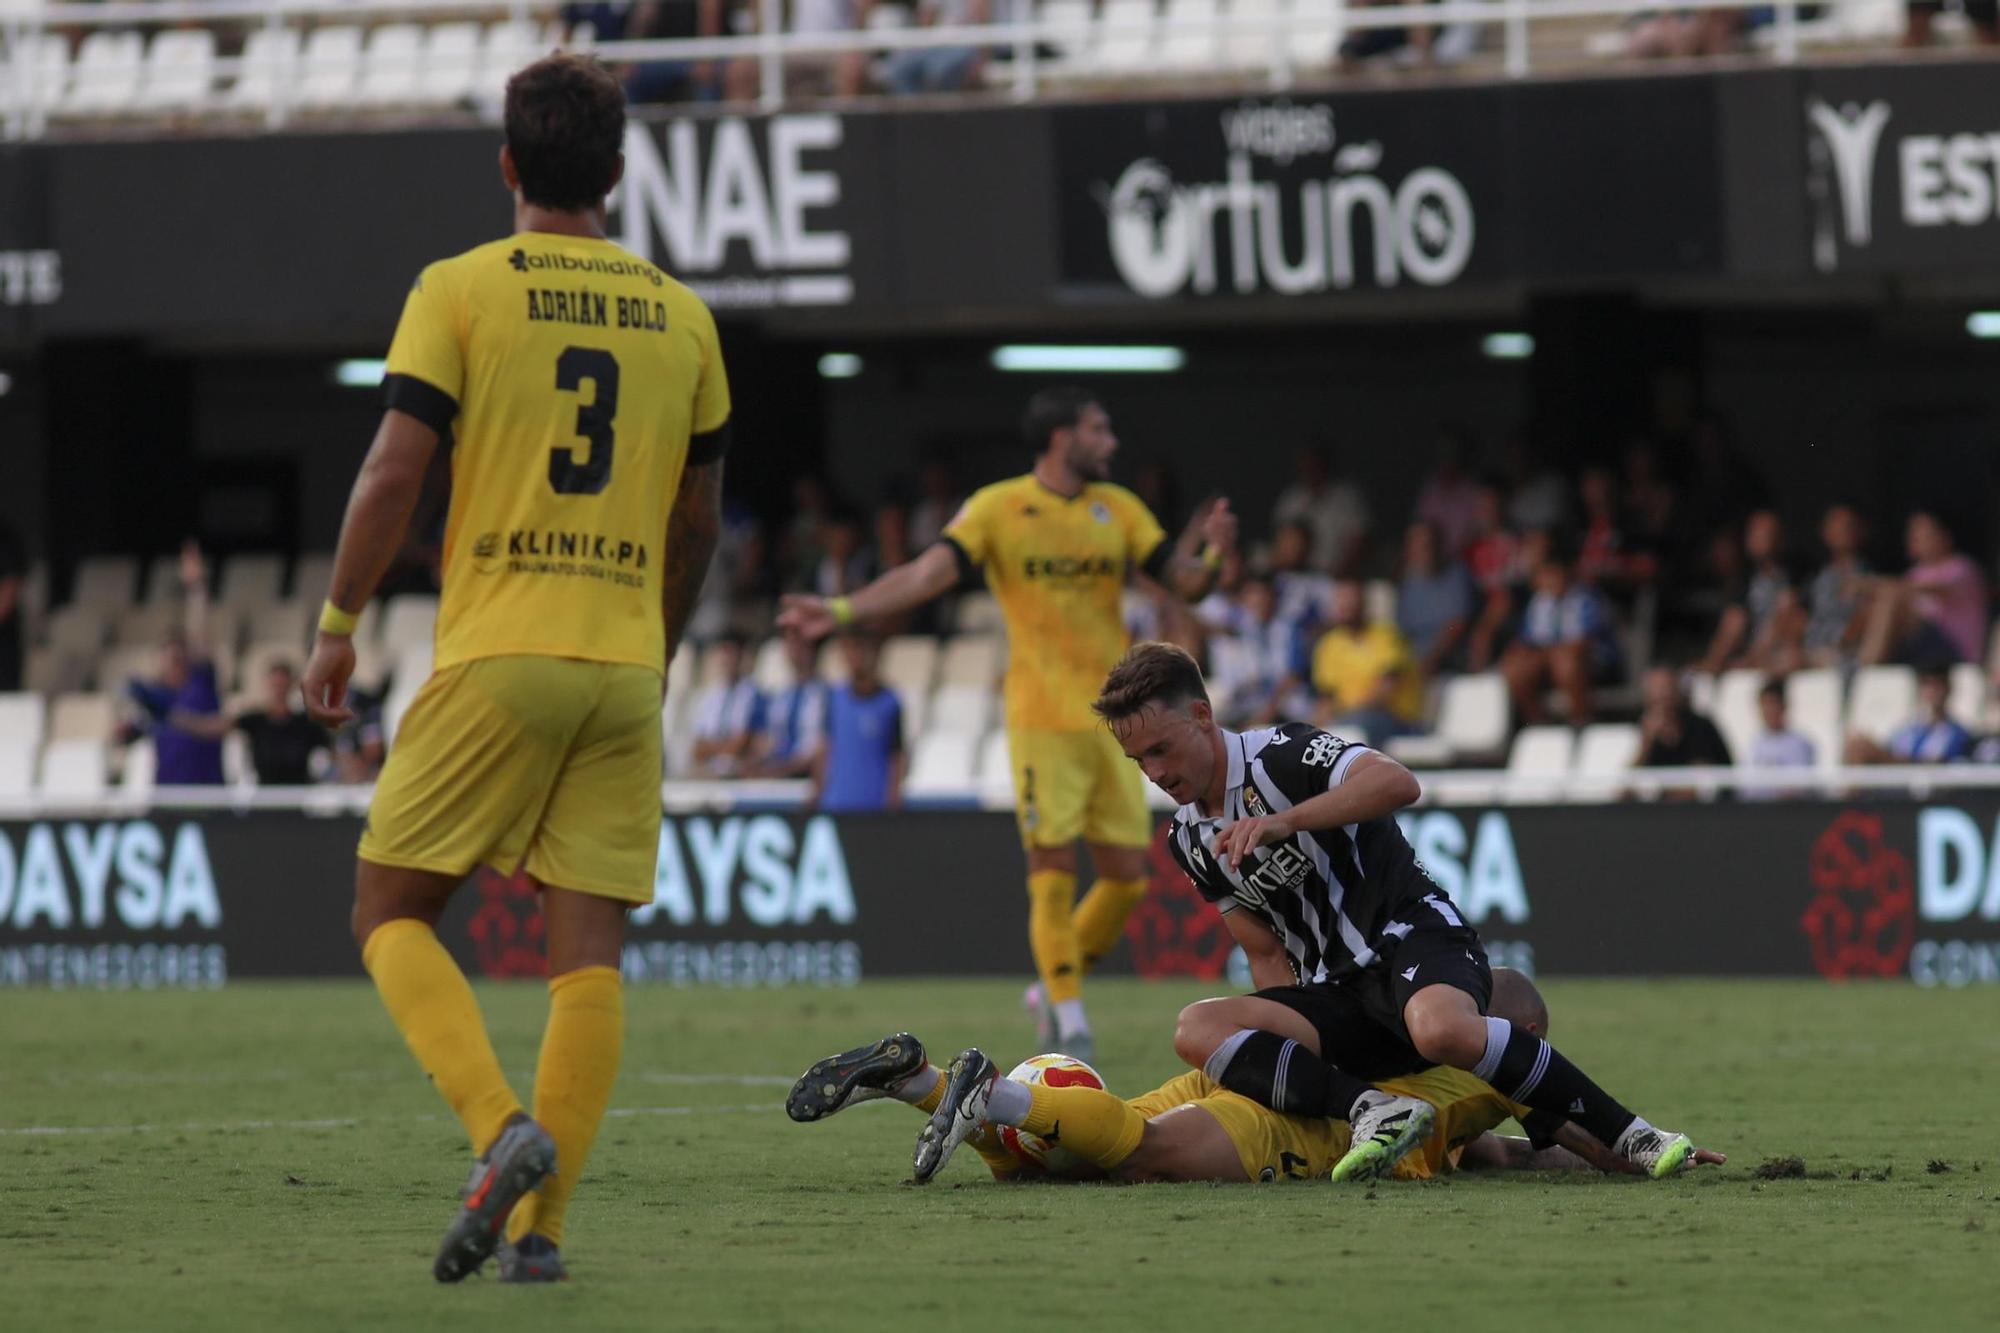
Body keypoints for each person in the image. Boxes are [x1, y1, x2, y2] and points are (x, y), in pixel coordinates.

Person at [299, 54, 731, 1286]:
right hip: (621, 664)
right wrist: (659, 643)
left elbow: (393, 472)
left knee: (387, 911)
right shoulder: (682, 313)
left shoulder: (460, 289)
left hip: (498, 649)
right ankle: (542, 1239)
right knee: (584, 954)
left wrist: (338, 620)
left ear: (506, 165)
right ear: (618, 170)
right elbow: (698, 521)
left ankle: (501, 1130)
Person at [1078, 642, 1700, 1182]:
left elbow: (1399, 782)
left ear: (1203, 716)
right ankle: (1374, 1109)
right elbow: (1264, 952)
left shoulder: (1282, 753)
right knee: (1195, 1027)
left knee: (1440, 1028)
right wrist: (1292, 1066)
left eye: (1161, 749)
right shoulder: (1188, 839)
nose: (1156, 773)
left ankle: (1634, 1135)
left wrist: (1282, 822)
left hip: (1410, 936)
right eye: (1140, 762)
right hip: (1338, 995)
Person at [778, 387, 1237, 1059]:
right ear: (1061, 438)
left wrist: (1218, 556)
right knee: (1050, 865)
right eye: (1098, 429)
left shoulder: (1121, 510)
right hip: (1040, 716)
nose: (1111, 442)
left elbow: (1187, 582)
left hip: (1117, 722)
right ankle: (1070, 1014)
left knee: (1127, 875)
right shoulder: (998, 506)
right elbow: (928, 572)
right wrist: (844, 611)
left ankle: (1054, 982)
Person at [792, 970, 1723, 1186]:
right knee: (1138, 1157)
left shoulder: (1427, 1056)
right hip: (1292, 1129)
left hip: (1258, 1073)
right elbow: (1579, 1141)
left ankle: (919, 1082)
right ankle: (988, 1088)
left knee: (1058, 1160)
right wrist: (1661, 1155)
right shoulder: (1501, 1071)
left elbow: (1502, 1158)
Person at [125, 541, 226, 786]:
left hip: (208, 798)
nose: (174, 659)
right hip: (167, 798)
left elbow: (200, 632)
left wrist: (196, 588)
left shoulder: (201, 684)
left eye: (179, 654)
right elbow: (125, 736)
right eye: (168, 654)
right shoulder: (155, 697)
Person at [1498, 547, 1621, 724]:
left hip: (1594, 663)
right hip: (1551, 661)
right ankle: (1539, 723)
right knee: (1514, 670)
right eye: (1544, 575)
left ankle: (1581, 722)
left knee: (1565, 662)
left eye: (1554, 574)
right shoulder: (1538, 602)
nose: (1550, 580)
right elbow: (1528, 641)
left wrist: (1547, 654)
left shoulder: (1586, 598)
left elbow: (1582, 643)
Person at [166, 660, 330, 785]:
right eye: (275, 684)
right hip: (264, 800)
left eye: (283, 684)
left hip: (295, 801)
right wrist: (178, 719)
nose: (279, 689)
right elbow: (215, 727)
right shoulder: (256, 721)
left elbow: (333, 750)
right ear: (267, 685)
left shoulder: (306, 725)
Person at [1858, 511, 1989, 668]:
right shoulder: (1914, 574)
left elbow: (1935, 588)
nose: (1916, 540)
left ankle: (1866, 665)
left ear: (1945, 536)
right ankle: (1845, 653)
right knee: (1873, 606)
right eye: (1913, 535)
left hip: (1955, 650)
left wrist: (1873, 585)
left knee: (1890, 598)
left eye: (1925, 535)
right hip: (1919, 649)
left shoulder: (1962, 568)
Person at [1310, 578, 1422, 741]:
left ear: (1364, 603)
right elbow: (1326, 698)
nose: (1345, 606)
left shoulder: (1386, 634)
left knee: (1356, 726)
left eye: (1351, 600)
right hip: (1349, 719)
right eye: (1340, 600)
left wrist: (1342, 718)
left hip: (1395, 719)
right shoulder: (1329, 644)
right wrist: (1313, 729)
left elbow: (1384, 692)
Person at [810, 632, 905, 812]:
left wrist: (893, 798)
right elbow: (825, 748)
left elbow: (897, 755)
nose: (855, 657)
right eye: (849, 650)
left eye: (861, 649)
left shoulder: (890, 702)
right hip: (836, 804)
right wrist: (817, 791)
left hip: (874, 807)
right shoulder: (834, 699)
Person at [1699, 510, 1800, 676]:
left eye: (1767, 532)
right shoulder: (1745, 580)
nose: (1761, 538)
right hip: (1753, 651)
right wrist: (1717, 659)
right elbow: (1733, 621)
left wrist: (1753, 658)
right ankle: (1713, 667)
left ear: (1780, 537)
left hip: (1784, 648)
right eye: (1755, 532)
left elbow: (1788, 618)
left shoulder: (1795, 574)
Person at [1633, 665, 1733, 800]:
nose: (1664, 695)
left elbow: (1701, 781)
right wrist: (1646, 743)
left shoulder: (1701, 726)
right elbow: (1625, 788)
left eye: (1667, 688)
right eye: (1657, 690)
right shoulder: (1641, 733)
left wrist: (1663, 793)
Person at [1393, 520, 1476, 681]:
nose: (1422, 551)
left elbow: (1456, 625)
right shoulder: (1408, 582)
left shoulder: (1457, 574)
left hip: (1450, 658)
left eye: (1427, 545)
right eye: (1415, 545)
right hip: (1413, 660)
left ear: (1439, 546)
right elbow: (1402, 631)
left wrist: (1433, 659)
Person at [1844, 665, 1975, 765]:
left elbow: (1936, 766)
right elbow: (1892, 748)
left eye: (1937, 685)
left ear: (1948, 689)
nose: (1932, 692)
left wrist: (1880, 755)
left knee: (1861, 748)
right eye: (1927, 685)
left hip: (1925, 792)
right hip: (1895, 787)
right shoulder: (1909, 729)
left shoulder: (1956, 733)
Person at [1271, 446, 1368, 576]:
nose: (1310, 469)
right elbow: (1281, 546)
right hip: (1295, 575)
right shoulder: (1291, 498)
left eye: (1314, 463)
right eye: (1305, 463)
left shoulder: (1347, 497)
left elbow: (1360, 540)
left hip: (1337, 576)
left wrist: (1337, 577)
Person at [1801, 504, 1870, 669]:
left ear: (1860, 531)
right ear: (1825, 532)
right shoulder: (1816, 579)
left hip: (1847, 653)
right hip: (1812, 649)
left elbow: (1866, 618)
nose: (1842, 531)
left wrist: (1838, 643)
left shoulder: (1869, 578)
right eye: (1835, 525)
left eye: (1848, 526)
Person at [751, 633, 829, 778]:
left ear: (812, 650)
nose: (795, 652)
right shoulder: (780, 696)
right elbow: (765, 741)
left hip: (809, 774)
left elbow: (823, 746)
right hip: (779, 771)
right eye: (791, 646)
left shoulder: (826, 695)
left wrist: (787, 768)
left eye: (801, 646)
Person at [689, 632, 766, 777]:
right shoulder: (708, 697)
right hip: (708, 773)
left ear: (742, 656)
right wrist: (726, 746)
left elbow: (742, 744)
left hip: (739, 775)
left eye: (733, 654)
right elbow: (697, 749)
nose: (728, 660)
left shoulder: (755, 695)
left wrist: (712, 747)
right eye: (725, 653)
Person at [885, 0, 997, 94]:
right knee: (899, 70)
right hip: (936, 46)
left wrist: (982, 57)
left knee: (938, 70)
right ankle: (913, 116)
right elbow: (926, 21)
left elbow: (982, 20)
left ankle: (943, 117)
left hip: (966, 46)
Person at [1744, 679, 1816, 802]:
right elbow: (1747, 789)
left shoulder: (1800, 743)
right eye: (1764, 705)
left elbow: (1799, 787)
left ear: (1784, 706)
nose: (1768, 710)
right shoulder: (1755, 743)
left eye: (1773, 704)